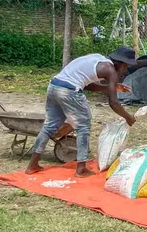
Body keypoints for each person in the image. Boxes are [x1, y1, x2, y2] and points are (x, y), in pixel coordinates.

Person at [25, 46, 138, 177]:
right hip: (69, 91)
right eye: (125, 67)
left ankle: (32, 165)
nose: (124, 70)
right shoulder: (110, 70)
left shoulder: (97, 58)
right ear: (123, 64)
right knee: (83, 126)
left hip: (54, 86)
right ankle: (81, 169)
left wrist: (111, 87)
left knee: (49, 126)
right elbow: (114, 103)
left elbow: (87, 85)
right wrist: (128, 117)